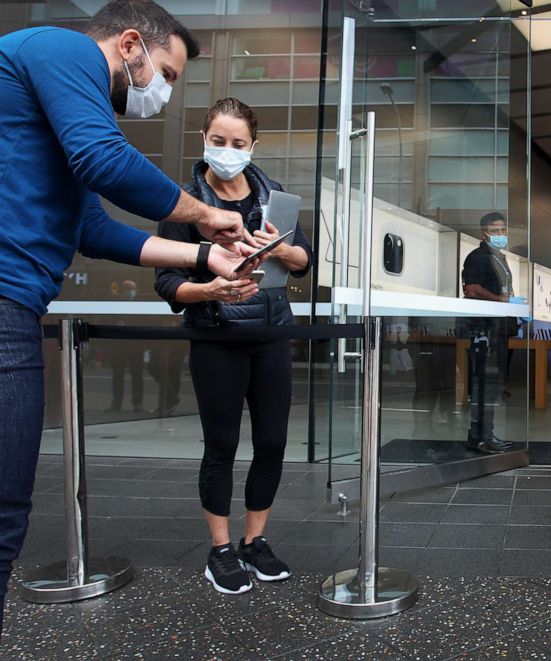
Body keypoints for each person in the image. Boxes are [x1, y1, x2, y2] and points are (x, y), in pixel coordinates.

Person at [0, 0, 256, 633]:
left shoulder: (63, 117)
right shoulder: (64, 53)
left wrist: (206, 255)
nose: (162, 93)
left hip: (17, 301)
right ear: (131, 45)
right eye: (166, 73)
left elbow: (94, 229)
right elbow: (106, 163)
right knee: (4, 513)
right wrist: (206, 215)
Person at [155, 98, 313, 595]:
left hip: (270, 335)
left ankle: (254, 542)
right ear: (204, 138)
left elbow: (305, 263)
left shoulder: (276, 195)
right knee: (221, 446)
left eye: (238, 143)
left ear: (253, 146)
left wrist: (285, 250)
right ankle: (219, 550)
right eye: (218, 141)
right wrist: (209, 290)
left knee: (272, 444)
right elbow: (166, 282)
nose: (228, 151)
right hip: (216, 334)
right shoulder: (183, 201)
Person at [460, 212, 523, 454]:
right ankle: (478, 437)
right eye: (495, 231)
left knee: (492, 384)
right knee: (482, 384)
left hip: (498, 328)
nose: (500, 235)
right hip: (483, 328)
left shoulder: (500, 258)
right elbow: (472, 288)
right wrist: (500, 301)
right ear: (484, 233)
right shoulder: (478, 257)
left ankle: (487, 433)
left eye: (503, 230)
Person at [105, 280, 146, 413]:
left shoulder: (141, 301)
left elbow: (146, 320)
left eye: (129, 288)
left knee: (137, 374)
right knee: (118, 374)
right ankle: (117, 403)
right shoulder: (116, 301)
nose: (127, 290)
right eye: (125, 288)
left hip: (135, 343)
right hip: (119, 343)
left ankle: (137, 403)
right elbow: (109, 319)